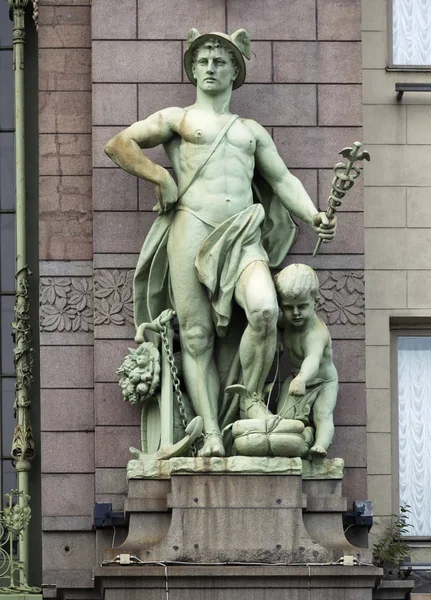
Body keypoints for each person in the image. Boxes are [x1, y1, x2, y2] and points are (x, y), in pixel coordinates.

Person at [104, 28, 337, 457]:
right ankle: (211, 432)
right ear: (193, 70)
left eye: (220, 61)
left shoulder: (250, 131)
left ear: (235, 72)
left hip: (243, 233)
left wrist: (314, 215)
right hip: (191, 226)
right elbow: (119, 143)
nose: (211, 68)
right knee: (196, 337)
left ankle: (247, 400)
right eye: (204, 61)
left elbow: (282, 179)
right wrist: (162, 177)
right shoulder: (179, 118)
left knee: (266, 310)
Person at [275, 264, 339, 457]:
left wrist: (302, 379)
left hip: (322, 381)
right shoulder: (287, 321)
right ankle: (306, 435)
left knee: (322, 413)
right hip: (296, 376)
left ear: (316, 302)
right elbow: (273, 324)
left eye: (302, 306)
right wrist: (277, 337)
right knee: (283, 421)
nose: (295, 313)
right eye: (288, 307)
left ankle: (320, 444)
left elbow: (312, 358)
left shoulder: (315, 333)